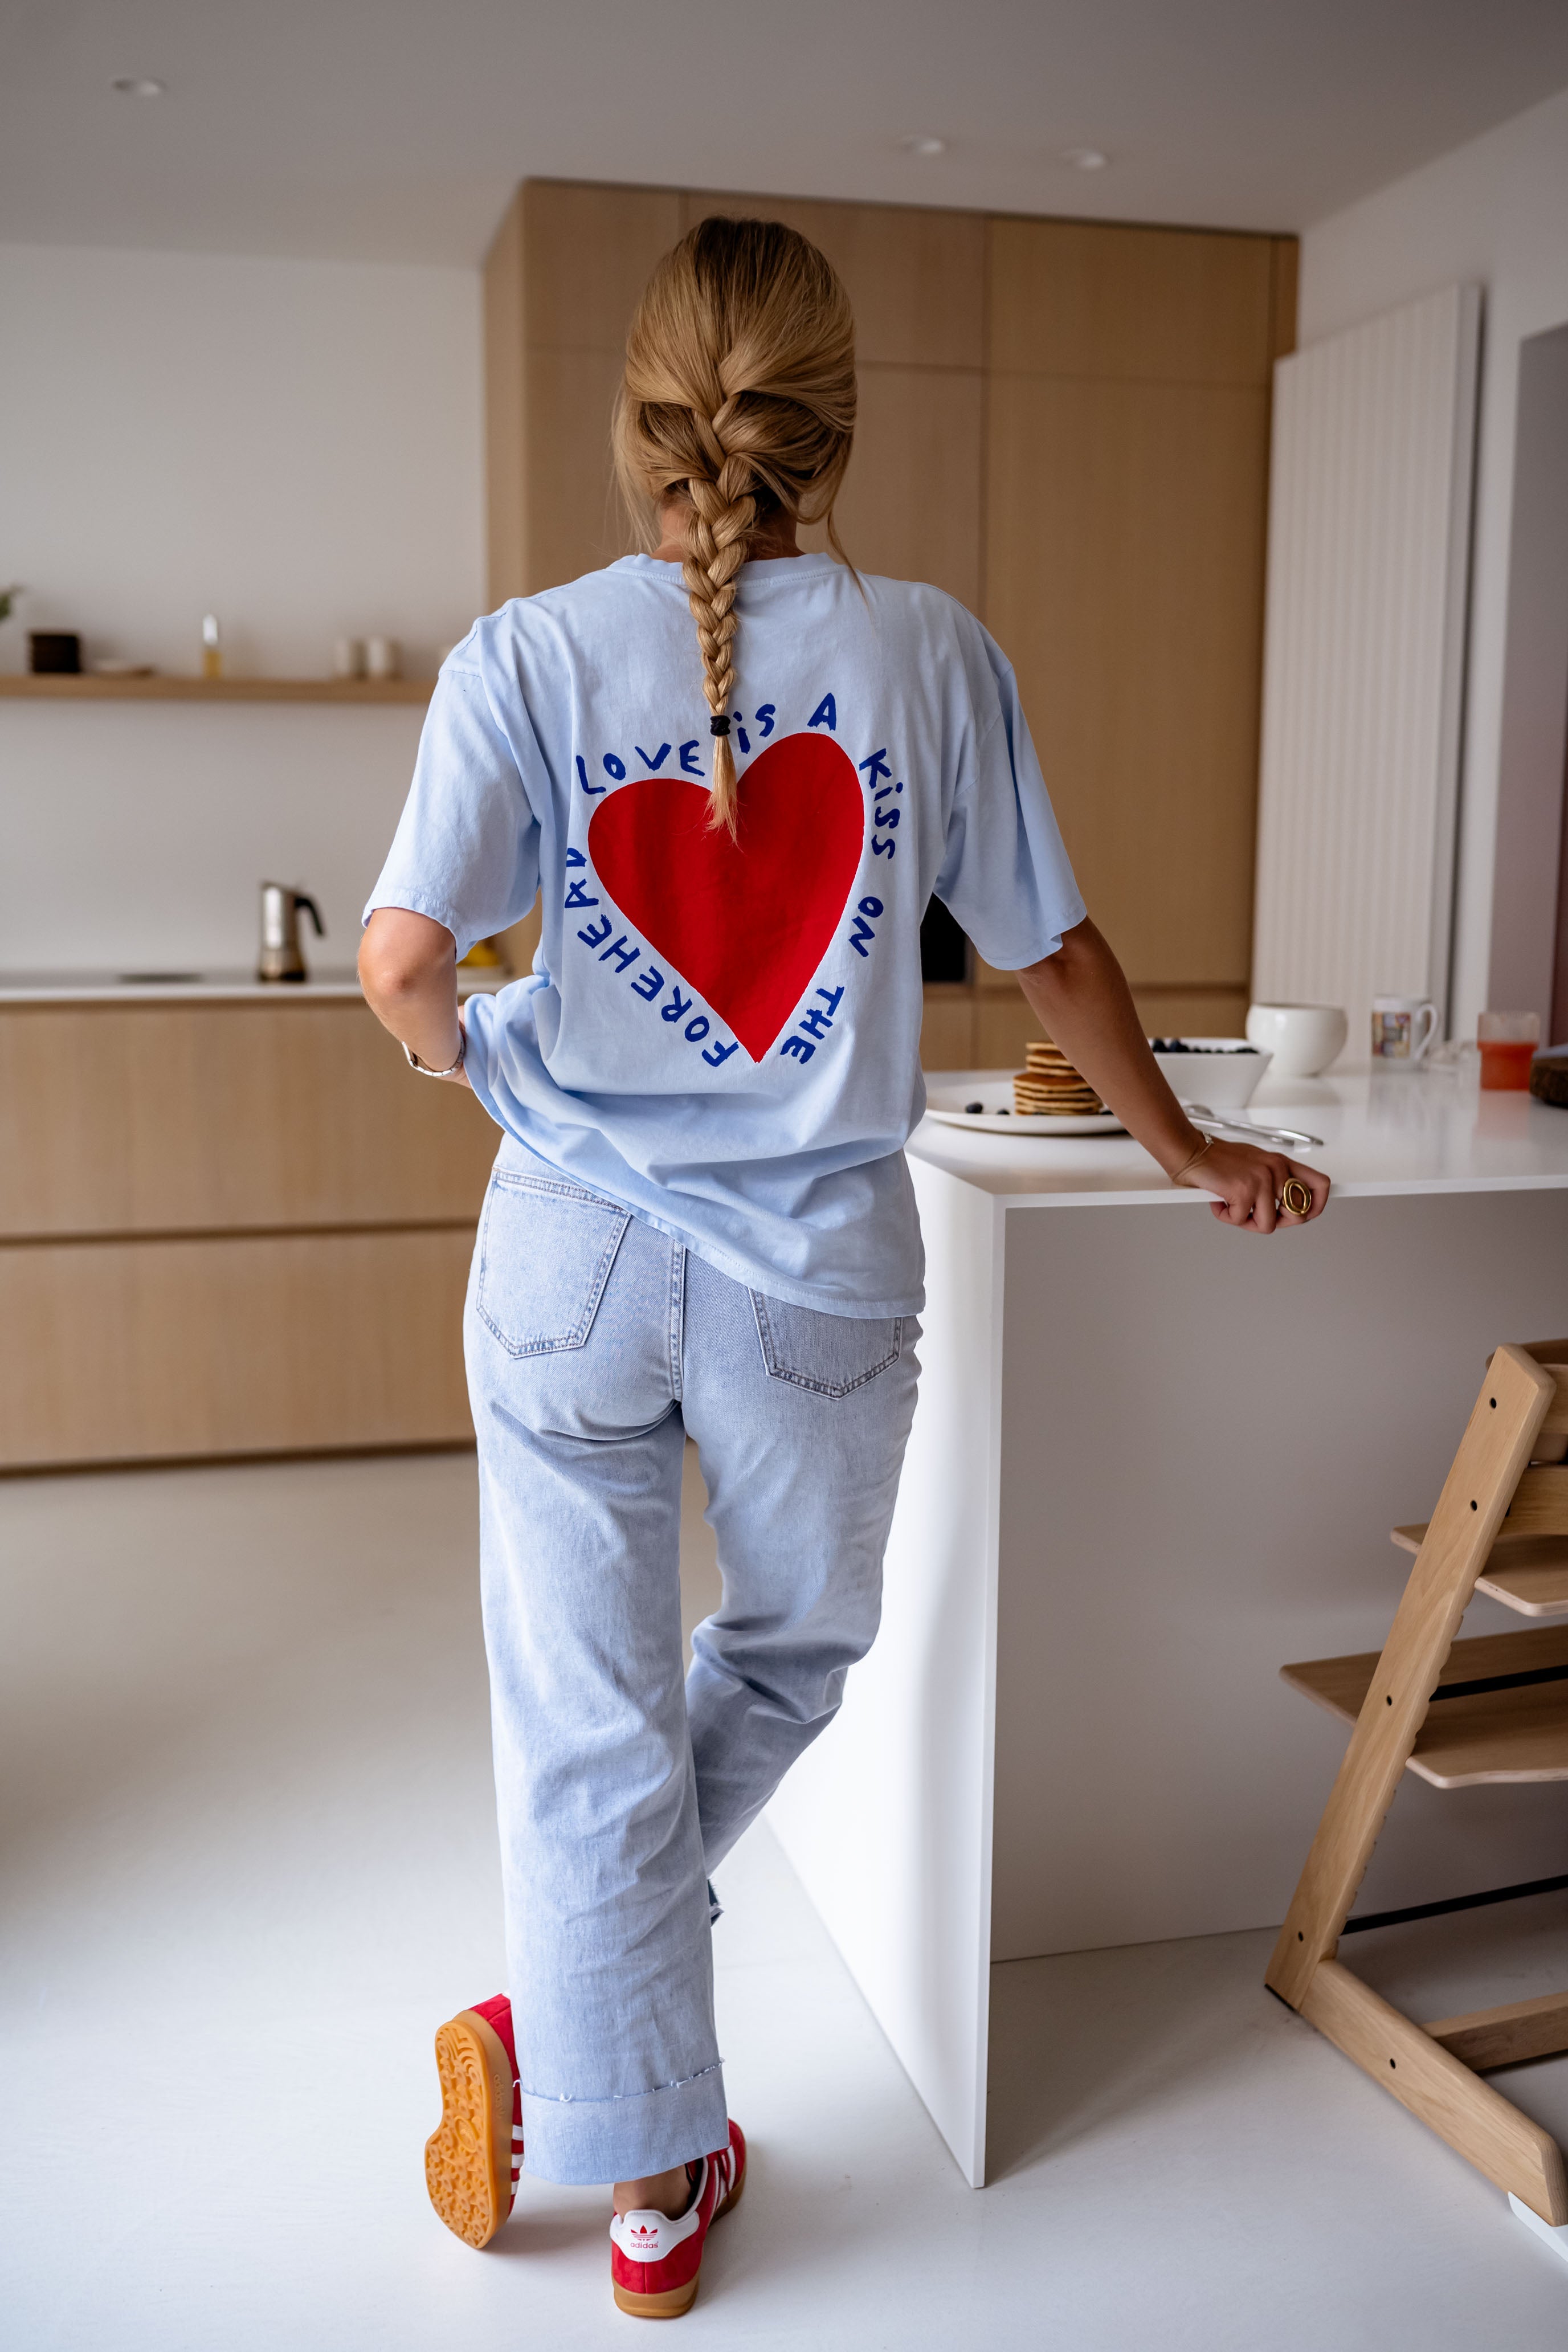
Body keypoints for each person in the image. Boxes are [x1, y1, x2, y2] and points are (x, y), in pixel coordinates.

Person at [359, 214, 1330, 2322]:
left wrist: (484, 1066)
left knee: (582, 1713)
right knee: (789, 1651)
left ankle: (607, 2078)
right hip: (814, 1276)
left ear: (640, 437)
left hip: (569, 1258)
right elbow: (1051, 949)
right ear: (835, 425)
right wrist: (1185, 1144)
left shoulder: (521, 657)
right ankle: (640, 2132)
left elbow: (407, 962)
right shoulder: (931, 656)